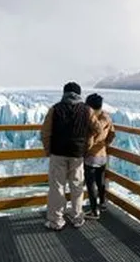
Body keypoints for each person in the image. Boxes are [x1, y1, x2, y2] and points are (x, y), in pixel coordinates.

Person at [41, 82, 99, 231]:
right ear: (79, 94)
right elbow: (97, 128)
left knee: (57, 187)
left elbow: (45, 132)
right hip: (77, 154)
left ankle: (56, 221)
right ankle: (77, 217)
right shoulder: (87, 110)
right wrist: (87, 144)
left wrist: (48, 151)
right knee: (77, 186)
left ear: (64, 93)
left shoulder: (55, 109)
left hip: (58, 153)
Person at [83, 93, 115, 220]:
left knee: (90, 184)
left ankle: (94, 210)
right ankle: (102, 204)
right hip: (102, 155)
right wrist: (105, 144)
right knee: (100, 181)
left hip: (91, 156)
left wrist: (86, 149)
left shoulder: (92, 120)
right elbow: (112, 134)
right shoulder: (107, 117)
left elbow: (89, 138)